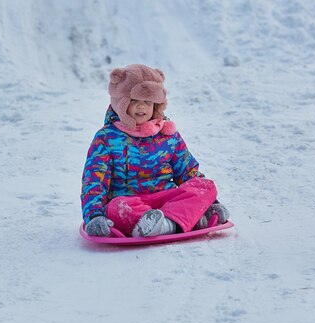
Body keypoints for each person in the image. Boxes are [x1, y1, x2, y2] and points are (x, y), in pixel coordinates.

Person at [81, 64, 229, 237]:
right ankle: (182, 221)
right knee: (116, 208)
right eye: (134, 101)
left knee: (205, 186)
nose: (141, 107)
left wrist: (210, 202)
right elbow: (94, 181)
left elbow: (188, 173)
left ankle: (167, 224)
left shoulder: (168, 135)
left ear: (157, 105)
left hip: (167, 200)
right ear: (121, 103)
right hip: (131, 203)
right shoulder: (106, 138)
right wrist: (94, 215)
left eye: (147, 102)